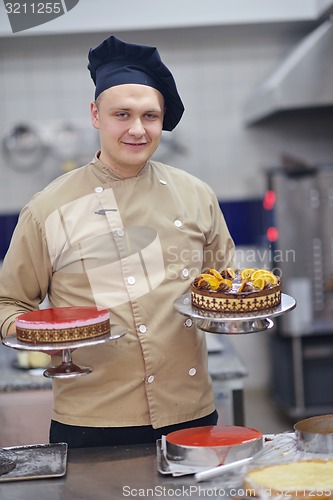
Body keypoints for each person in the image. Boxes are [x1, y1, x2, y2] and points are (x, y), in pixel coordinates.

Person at [0, 35, 234, 448]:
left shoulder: (196, 194)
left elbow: (223, 285)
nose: (137, 129)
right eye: (122, 114)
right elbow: (9, 303)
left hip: (191, 412)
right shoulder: (49, 208)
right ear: (95, 114)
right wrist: (48, 340)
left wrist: (236, 313)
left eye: (150, 116)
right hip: (93, 420)